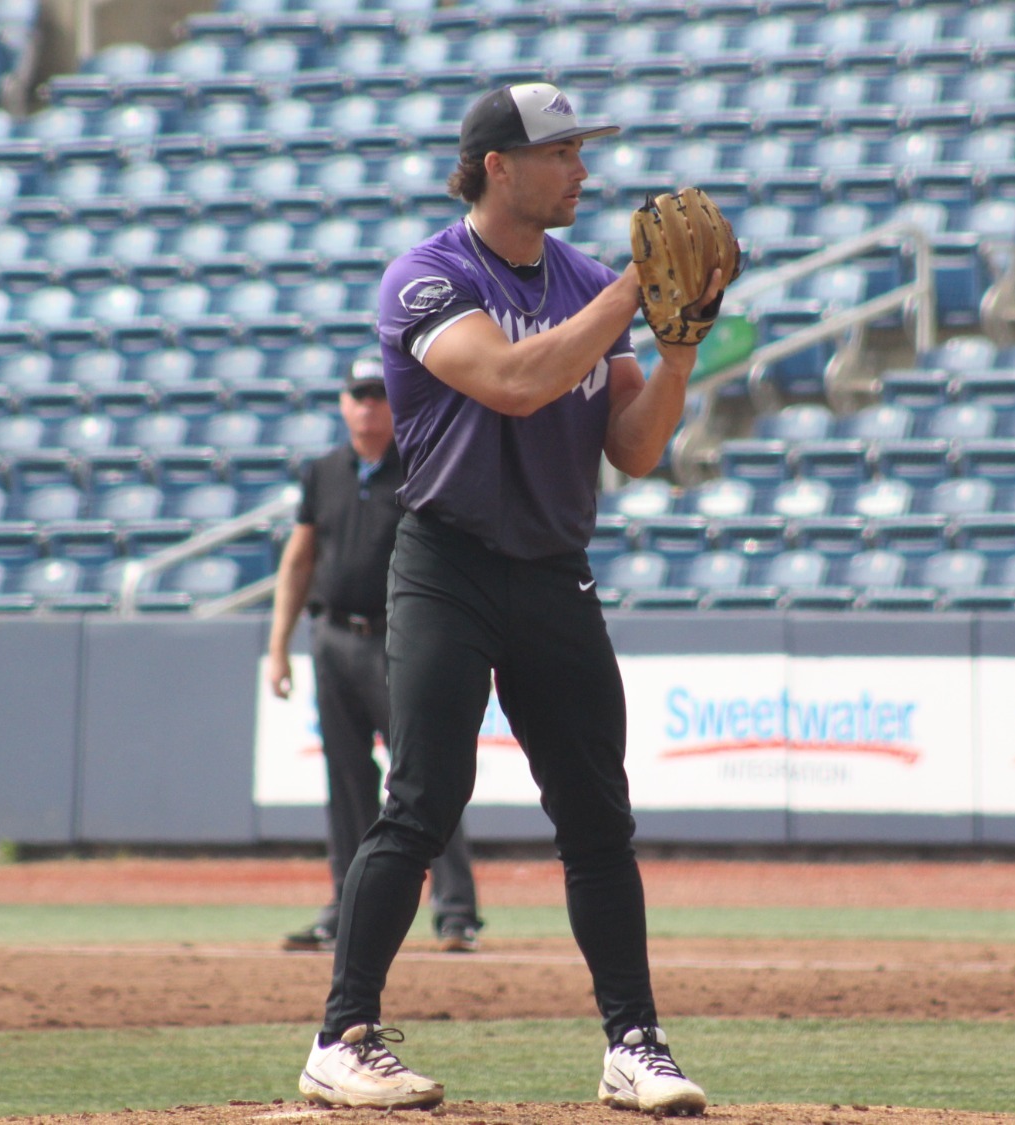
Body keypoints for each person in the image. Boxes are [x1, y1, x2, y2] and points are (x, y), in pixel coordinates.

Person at [295, 83, 722, 1116]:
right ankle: (341, 1037)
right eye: (562, 151)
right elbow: (517, 381)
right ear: (498, 164)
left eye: (580, 149)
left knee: (595, 819)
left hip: (551, 571)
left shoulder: (579, 274)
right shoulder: (426, 278)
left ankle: (634, 1045)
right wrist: (631, 292)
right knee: (422, 803)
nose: (582, 168)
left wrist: (678, 347)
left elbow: (633, 446)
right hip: (445, 564)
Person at [266, 362, 484, 956]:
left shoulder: (419, 464)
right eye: (358, 395)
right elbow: (299, 559)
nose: (368, 406)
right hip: (333, 636)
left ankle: (456, 910)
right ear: (342, 403)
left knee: (424, 776)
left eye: (378, 395)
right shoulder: (324, 472)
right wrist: (278, 647)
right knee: (345, 780)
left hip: (399, 641)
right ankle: (346, 904)